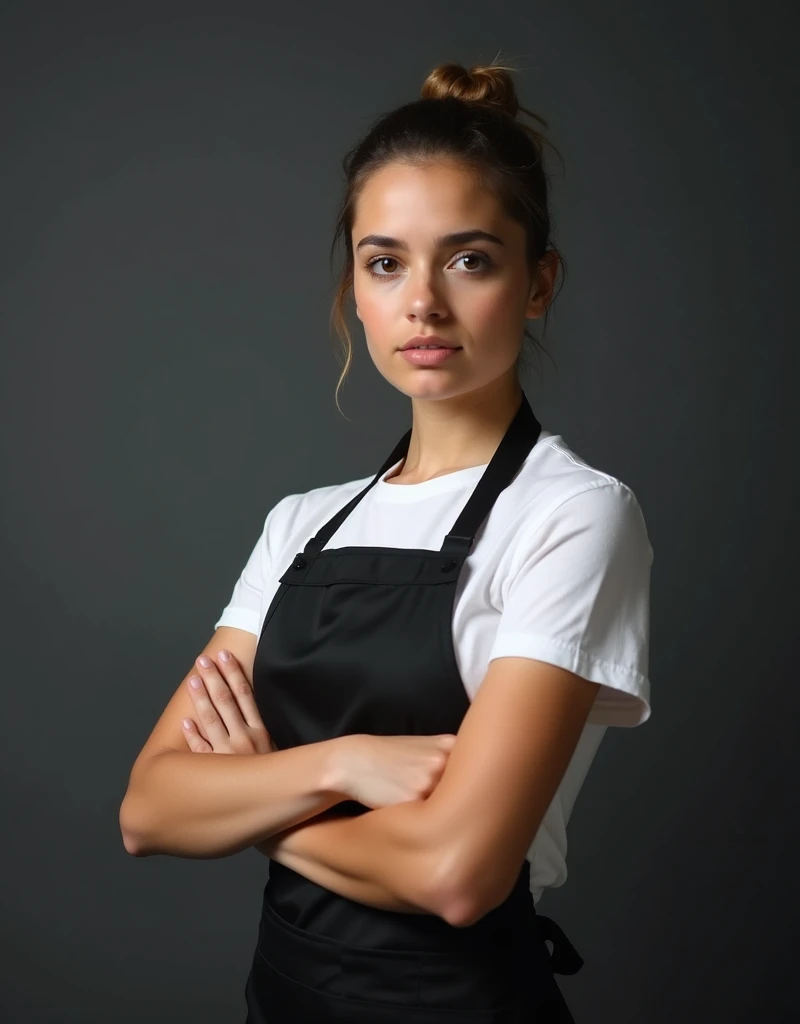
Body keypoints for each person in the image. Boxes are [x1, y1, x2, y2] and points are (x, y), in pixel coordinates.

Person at [120, 59, 652, 1023]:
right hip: (281, 998)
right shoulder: (299, 524)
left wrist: (257, 805)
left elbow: (457, 871)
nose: (423, 303)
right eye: (385, 261)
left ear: (539, 284)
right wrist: (339, 764)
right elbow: (150, 808)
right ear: (355, 292)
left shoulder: (573, 513)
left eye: (471, 259)